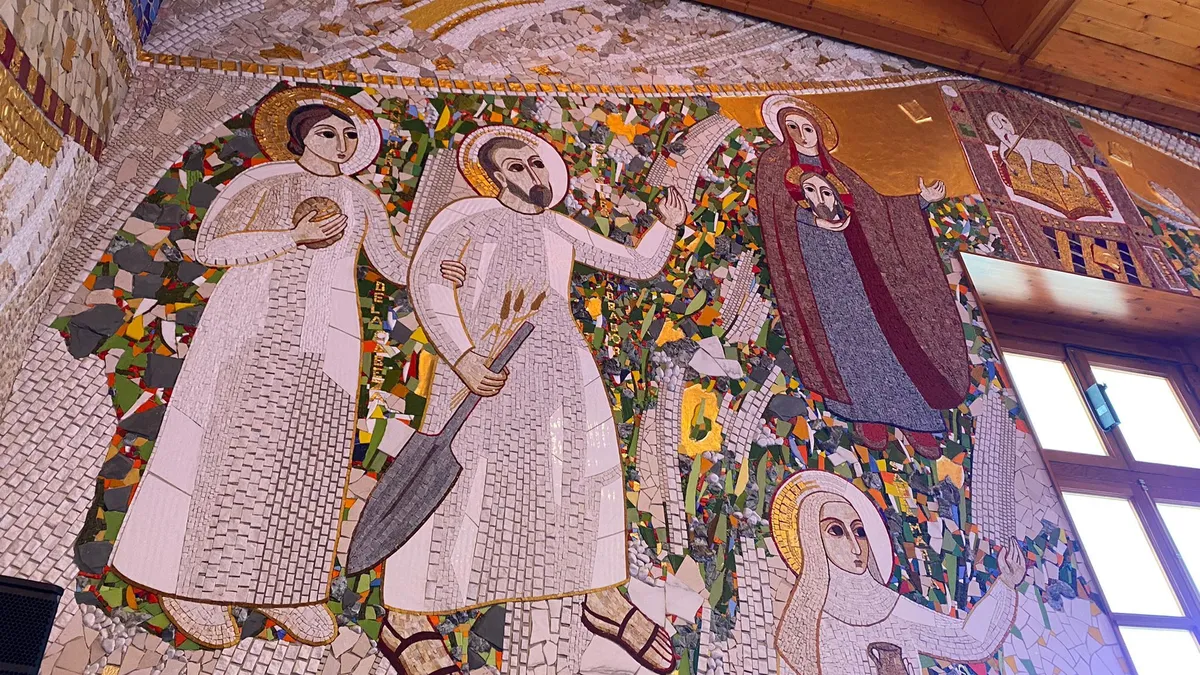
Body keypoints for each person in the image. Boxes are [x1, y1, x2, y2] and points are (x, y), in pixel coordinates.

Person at [108, 88, 463, 648]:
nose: (341, 143)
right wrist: (290, 237)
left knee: (309, 459)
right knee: (233, 452)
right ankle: (191, 585)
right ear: (299, 137)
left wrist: (435, 265)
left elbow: (394, 264)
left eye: (349, 135)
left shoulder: (359, 197)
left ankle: (286, 586)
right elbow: (210, 246)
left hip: (327, 340)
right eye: (328, 132)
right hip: (251, 330)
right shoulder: (263, 180)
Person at [375, 125, 688, 675]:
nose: (531, 173)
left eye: (536, 163)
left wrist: (665, 226)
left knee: (583, 476)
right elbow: (428, 281)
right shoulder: (467, 217)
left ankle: (601, 595)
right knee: (454, 482)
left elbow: (633, 263)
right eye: (516, 166)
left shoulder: (557, 226)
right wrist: (462, 355)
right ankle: (405, 617)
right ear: (495, 177)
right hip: (483, 364)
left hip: (559, 367)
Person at [753, 95, 969, 459]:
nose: (802, 135)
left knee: (891, 336)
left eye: (807, 128)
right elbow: (775, 216)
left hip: (863, 266)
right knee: (845, 339)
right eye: (793, 128)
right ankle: (867, 415)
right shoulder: (773, 166)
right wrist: (810, 221)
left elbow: (879, 210)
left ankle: (917, 419)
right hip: (816, 274)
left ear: (819, 132)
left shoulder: (841, 171)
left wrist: (919, 201)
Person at [771, 471, 1025, 675]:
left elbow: (968, 639)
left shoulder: (887, 606)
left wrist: (1006, 583)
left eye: (860, 531)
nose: (855, 547)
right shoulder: (804, 621)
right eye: (836, 531)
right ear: (812, 540)